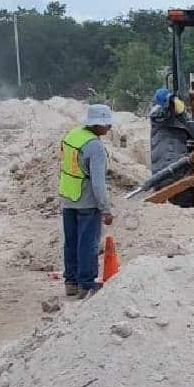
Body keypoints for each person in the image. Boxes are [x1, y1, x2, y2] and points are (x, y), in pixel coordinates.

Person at [59, 104, 114, 299]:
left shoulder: (72, 136)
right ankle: (86, 284)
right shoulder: (95, 146)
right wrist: (106, 209)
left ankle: (71, 283)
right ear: (97, 124)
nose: (109, 127)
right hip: (87, 203)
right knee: (87, 244)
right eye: (107, 124)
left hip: (68, 198)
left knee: (71, 242)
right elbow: (98, 183)